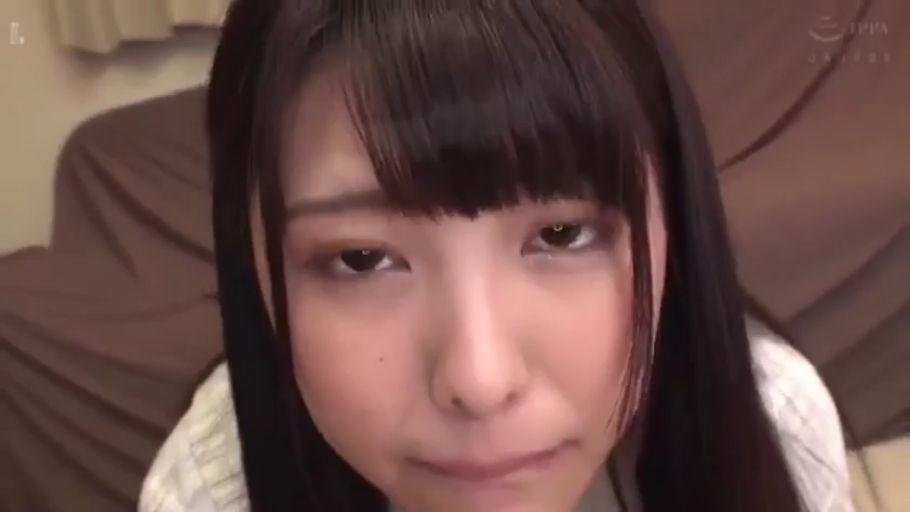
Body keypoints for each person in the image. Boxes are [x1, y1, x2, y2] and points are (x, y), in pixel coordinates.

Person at [139, 1, 855, 511]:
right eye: (360, 258)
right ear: (255, 270)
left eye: (562, 235)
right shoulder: (208, 491)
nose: (480, 381)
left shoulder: (774, 432)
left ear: (676, 221)